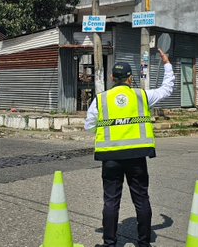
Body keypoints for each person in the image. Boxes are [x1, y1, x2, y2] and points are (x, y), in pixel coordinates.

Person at [84, 48, 174, 247]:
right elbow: (167, 89)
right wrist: (166, 63)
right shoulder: (142, 96)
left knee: (111, 201)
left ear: (111, 77)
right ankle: (143, 243)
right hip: (137, 157)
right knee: (141, 199)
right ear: (130, 79)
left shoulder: (101, 99)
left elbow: (89, 126)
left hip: (110, 158)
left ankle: (110, 243)